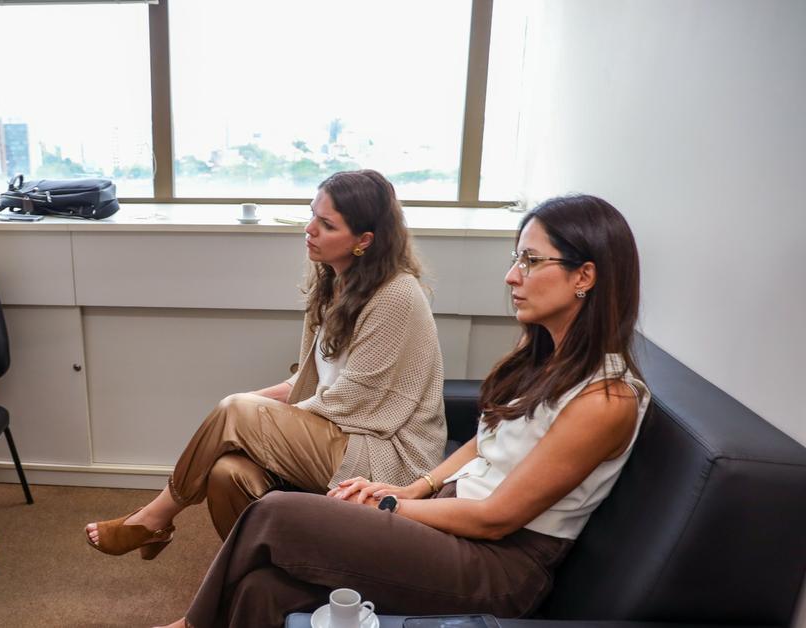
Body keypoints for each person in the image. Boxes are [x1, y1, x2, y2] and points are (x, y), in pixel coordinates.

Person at [154, 194, 652, 628]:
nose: (511, 275)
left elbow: (496, 519)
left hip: (498, 566)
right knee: (262, 589)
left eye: (531, 260)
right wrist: (416, 487)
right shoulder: (542, 358)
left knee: (276, 514)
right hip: (456, 519)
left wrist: (390, 505)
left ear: (584, 275)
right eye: (515, 257)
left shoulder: (606, 400)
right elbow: (487, 442)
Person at [85, 169, 446, 553]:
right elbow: (309, 381)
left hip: (386, 453)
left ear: (364, 240)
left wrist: (255, 420)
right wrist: (251, 412)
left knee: (238, 412)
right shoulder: (333, 282)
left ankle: (154, 518)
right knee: (227, 471)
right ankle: (252, 572)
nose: (309, 229)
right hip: (340, 431)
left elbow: (354, 401)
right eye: (312, 214)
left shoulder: (396, 295)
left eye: (326, 225)